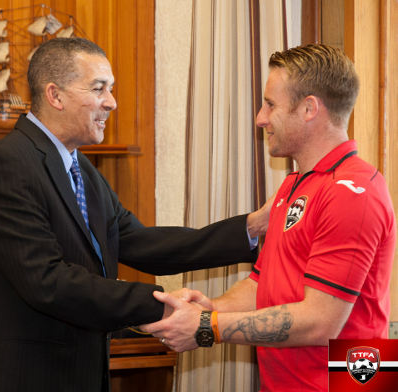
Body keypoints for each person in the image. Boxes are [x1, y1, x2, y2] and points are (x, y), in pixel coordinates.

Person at [0, 37, 270, 392]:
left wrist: (250, 227)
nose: (112, 102)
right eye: (98, 88)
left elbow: (139, 242)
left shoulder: (82, 169)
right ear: (55, 96)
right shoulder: (9, 163)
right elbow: (47, 282)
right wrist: (161, 306)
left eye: (112, 89)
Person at [141, 44, 396, 391]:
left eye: (270, 105)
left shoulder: (353, 192)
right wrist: (210, 307)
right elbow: (264, 281)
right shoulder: (294, 184)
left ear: (309, 108)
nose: (261, 118)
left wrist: (209, 326)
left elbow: (321, 323)